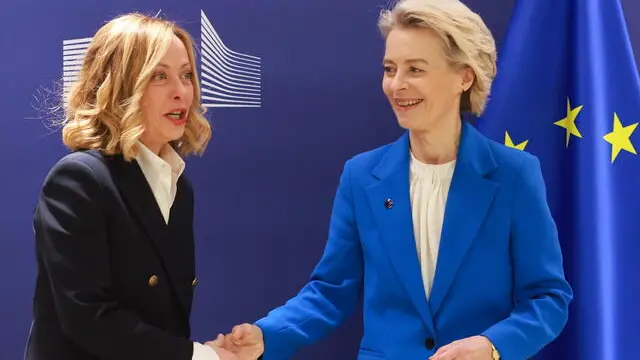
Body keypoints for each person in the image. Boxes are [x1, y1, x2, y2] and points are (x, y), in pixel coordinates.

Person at [214, 0, 573, 359]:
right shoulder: (361, 176)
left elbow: (547, 298)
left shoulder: (515, 175)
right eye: (390, 69)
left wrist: (493, 346)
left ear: (464, 76)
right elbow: (332, 290)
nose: (396, 85)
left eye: (415, 69)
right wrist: (267, 335)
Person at [25, 13, 233, 360]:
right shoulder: (79, 179)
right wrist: (200, 357)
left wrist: (201, 353)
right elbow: (88, 318)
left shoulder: (180, 189)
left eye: (186, 75)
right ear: (121, 86)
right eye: (159, 76)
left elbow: (163, 323)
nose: (181, 92)